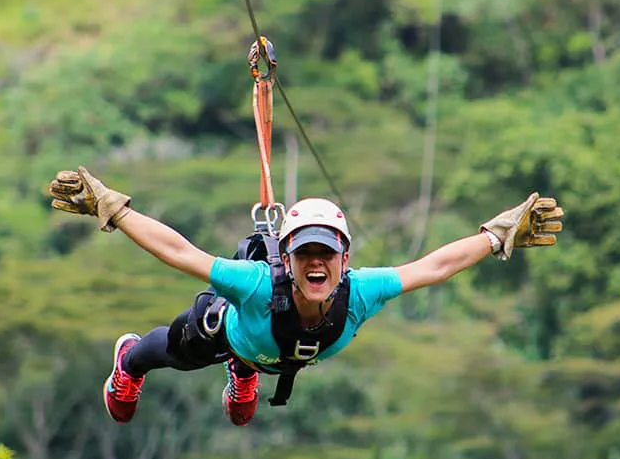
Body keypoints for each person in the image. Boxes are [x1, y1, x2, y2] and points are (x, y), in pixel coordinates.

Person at [48, 166, 564, 426]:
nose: (315, 263)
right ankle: (128, 364)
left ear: (344, 258)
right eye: (304, 254)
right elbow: (181, 252)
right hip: (235, 331)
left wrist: (496, 236)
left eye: (326, 254)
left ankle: (246, 373)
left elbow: (434, 266)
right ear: (287, 260)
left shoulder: (361, 291)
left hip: (270, 352)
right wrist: (114, 209)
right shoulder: (255, 284)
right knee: (181, 347)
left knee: (260, 357)